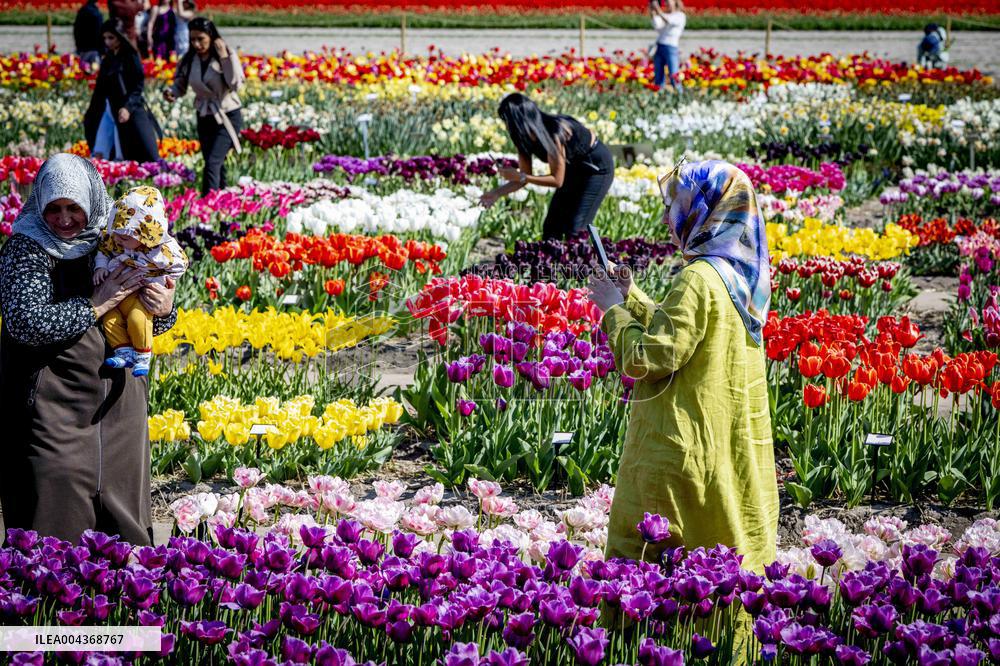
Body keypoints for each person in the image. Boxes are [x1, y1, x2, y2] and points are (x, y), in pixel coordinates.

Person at [588, 160, 779, 576]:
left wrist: (613, 310)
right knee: (721, 555)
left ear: (703, 211)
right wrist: (631, 296)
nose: (666, 219)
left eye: (674, 207)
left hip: (680, 445)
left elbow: (648, 359)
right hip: (722, 439)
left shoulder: (697, 278)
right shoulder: (739, 275)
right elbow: (685, 333)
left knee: (655, 562)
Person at [0, 153, 177, 546]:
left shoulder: (115, 238)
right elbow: (26, 323)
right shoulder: (26, 249)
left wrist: (164, 308)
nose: (64, 219)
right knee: (53, 520)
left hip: (119, 408)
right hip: (53, 410)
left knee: (123, 528)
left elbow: (150, 311)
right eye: (54, 209)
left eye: (74, 208)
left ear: (92, 202)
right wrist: (94, 305)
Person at [479, 93, 615, 241]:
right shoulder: (522, 139)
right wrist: (495, 193)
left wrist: (521, 176)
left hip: (596, 169)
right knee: (552, 227)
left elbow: (557, 180)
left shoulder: (554, 132)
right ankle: (550, 257)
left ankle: (590, 256)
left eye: (507, 121)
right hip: (572, 169)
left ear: (518, 121)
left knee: (576, 229)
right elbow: (523, 178)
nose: (506, 127)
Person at [95, 186, 188, 376]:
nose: (117, 240)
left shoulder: (161, 251)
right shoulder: (116, 237)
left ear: (144, 235)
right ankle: (123, 352)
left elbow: (180, 266)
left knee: (137, 319)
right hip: (115, 295)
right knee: (110, 319)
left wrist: (158, 279)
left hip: (142, 292)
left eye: (124, 237)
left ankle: (142, 356)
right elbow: (103, 251)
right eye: (116, 234)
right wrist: (100, 267)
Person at [165, 17, 245, 194]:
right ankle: (223, 198)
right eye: (192, 39)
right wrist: (171, 92)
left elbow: (235, 84)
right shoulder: (189, 59)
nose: (196, 44)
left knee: (212, 162)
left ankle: (208, 202)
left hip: (227, 114)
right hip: (204, 114)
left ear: (211, 36)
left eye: (201, 39)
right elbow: (180, 84)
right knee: (214, 162)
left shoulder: (226, 54)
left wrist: (224, 57)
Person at [84, 20, 162, 163]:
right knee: (102, 148)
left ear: (120, 37)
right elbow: (101, 88)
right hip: (109, 108)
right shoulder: (108, 58)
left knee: (141, 150)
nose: (107, 42)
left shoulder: (130, 57)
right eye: (105, 38)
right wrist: (92, 111)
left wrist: (127, 107)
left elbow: (137, 86)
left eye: (111, 38)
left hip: (128, 107)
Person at [650, 0, 685, 92]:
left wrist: (658, 10)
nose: (666, 3)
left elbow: (669, 21)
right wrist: (653, 12)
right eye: (665, 2)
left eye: (668, 1)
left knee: (674, 76)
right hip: (660, 46)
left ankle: (680, 96)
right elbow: (657, 25)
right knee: (658, 77)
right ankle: (659, 95)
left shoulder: (680, 15)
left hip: (671, 48)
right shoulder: (665, 15)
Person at [73, 0, 104, 67]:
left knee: (83, 68)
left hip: (82, 48)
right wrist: (102, 49)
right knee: (95, 69)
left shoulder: (82, 11)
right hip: (94, 48)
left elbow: (76, 31)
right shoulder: (96, 13)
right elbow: (99, 31)